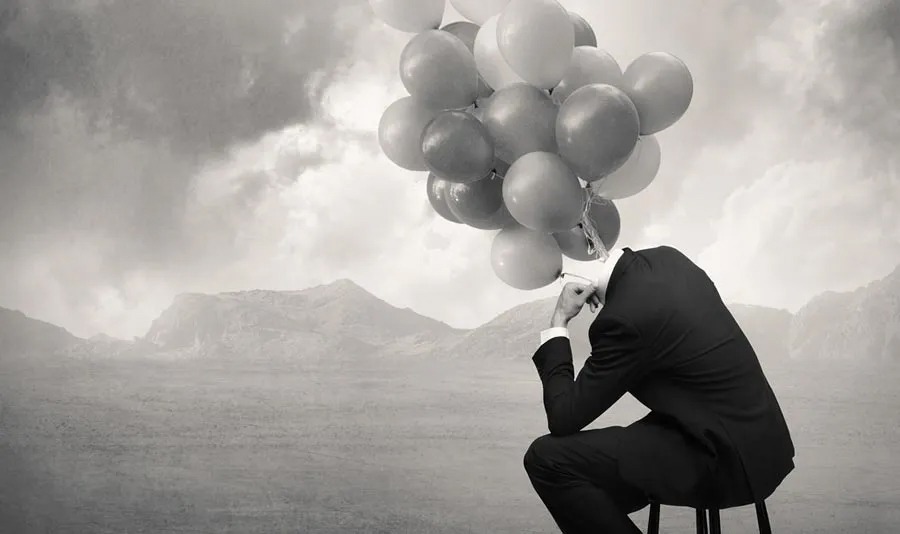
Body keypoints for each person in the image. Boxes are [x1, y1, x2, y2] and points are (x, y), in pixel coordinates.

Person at [524, 245, 794, 534]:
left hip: (724, 457)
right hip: (764, 439)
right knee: (593, 491)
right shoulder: (669, 258)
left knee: (547, 460)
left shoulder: (623, 320)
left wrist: (559, 320)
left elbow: (563, 416)